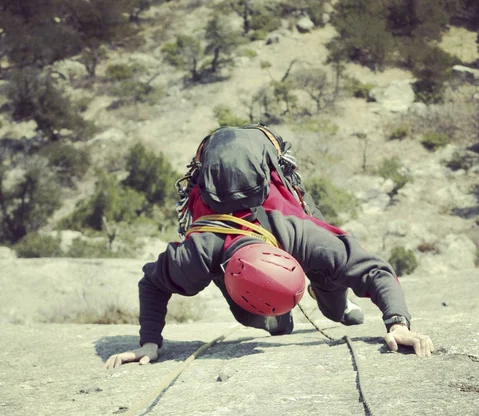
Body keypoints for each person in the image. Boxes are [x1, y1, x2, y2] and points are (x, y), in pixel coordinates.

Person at [105, 127, 433, 369]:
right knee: (252, 317)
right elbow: (152, 282)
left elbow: (373, 269)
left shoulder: (297, 231)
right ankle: (276, 319)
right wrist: (149, 342)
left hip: (283, 223)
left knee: (335, 308)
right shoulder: (201, 251)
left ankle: (328, 296)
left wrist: (398, 323)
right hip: (229, 257)